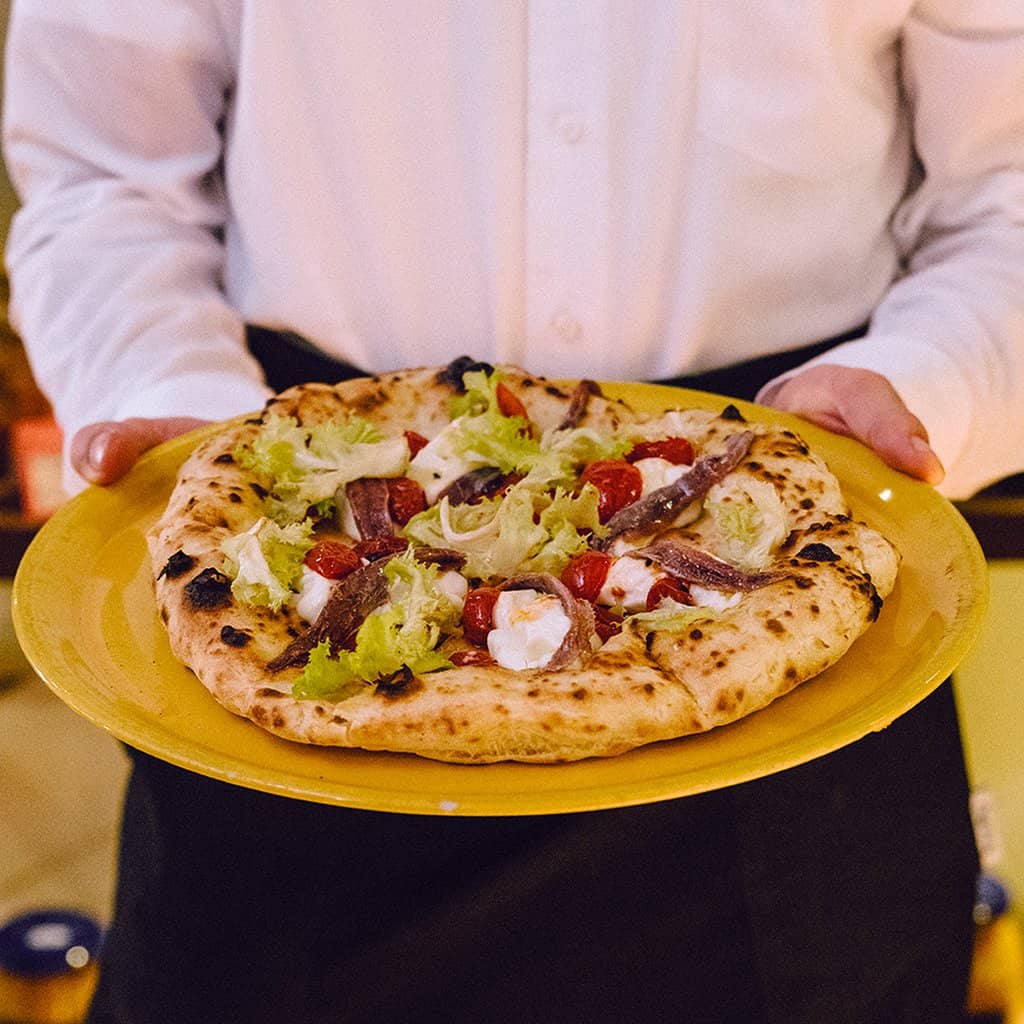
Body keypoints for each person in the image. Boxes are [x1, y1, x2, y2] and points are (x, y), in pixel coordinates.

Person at [4, 3, 1023, 1022]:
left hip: (777, 560)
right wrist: (183, 418)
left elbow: (1008, 190)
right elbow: (101, 175)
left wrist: (926, 379)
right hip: (307, 564)